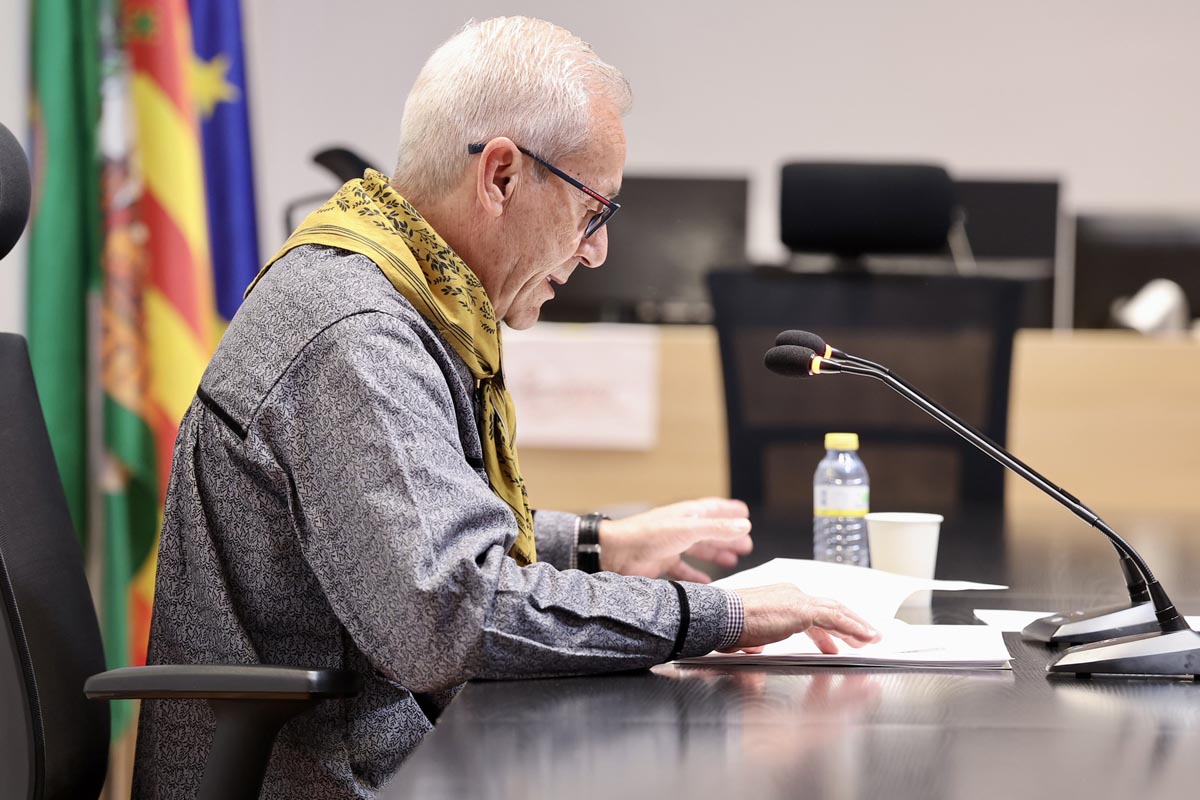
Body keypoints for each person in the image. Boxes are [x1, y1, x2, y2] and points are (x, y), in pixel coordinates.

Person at [133, 16, 879, 799]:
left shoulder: (390, 293)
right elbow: (449, 618)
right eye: (595, 210)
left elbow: (409, 534)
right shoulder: (357, 334)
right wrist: (717, 615)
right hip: (339, 778)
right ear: (500, 176)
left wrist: (597, 544)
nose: (596, 250)